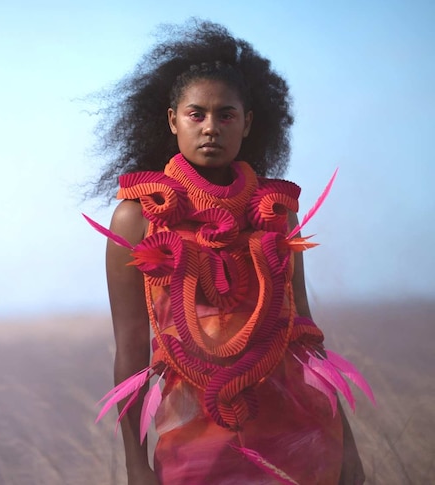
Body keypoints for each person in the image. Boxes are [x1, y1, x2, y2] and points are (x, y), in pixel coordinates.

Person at [85, 19, 372, 484]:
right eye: (196, 114)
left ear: (248, 123)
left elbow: (303, 337)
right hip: (193, 444)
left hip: (299, 438)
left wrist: (348, 450)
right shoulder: (137, 217)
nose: (211, 128)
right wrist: (136, 465)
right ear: (172, 119)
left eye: (226, 115)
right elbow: (130, 351)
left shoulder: (276, 213)